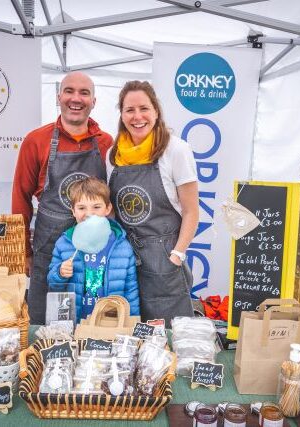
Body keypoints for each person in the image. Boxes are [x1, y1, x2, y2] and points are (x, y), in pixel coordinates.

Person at [12, 72, 113, 324]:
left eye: (84, 93)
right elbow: (20, 198)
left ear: (93, 101)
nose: (75, 98)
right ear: (59, 97)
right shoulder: (36, 140)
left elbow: (113, 201)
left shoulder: (106, 143)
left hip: (94, 253)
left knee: (89, 320)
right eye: (69, 91)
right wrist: (24, 251)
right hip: (48, 250)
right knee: (44, 323)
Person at [107, 81, 199, 326]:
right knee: (125, 330)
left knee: (166, 332)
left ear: (156, 111)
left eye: (144, 108)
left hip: (163, 259)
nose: (137, 116)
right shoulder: (113, 154)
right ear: (122, 115)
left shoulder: (176, 150)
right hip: (124, 260)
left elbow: (191, 211)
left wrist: (176, 255)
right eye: (130, 110)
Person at [47, 177, 139, 323]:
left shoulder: (122, 247)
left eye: (96, 207)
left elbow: (131, 291)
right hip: (75, 322)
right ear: (73, 211)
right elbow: (53, 285)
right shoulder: (64, 244)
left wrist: (132, 322)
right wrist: (60, 273)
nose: (89, 213)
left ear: (107, 208)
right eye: (81, 208)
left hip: (110, 323)